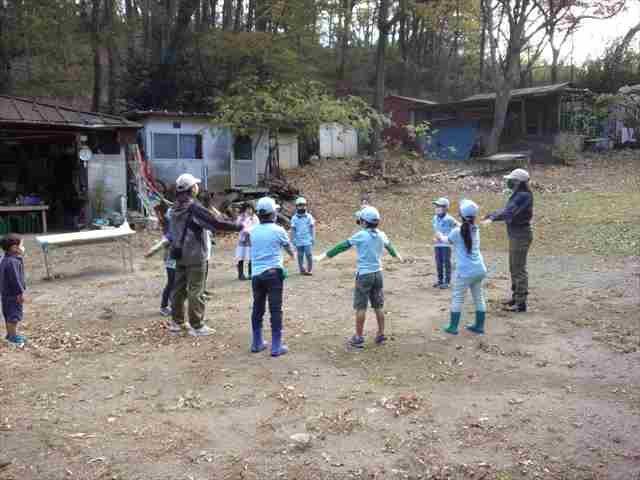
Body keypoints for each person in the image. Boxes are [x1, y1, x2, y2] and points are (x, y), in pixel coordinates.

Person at [315, 206, 403, 348]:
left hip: (364, 275)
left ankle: (359, 337)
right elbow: (390, 247)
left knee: (361, 307)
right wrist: (397, 256)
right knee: (378, 306)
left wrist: (324, 256)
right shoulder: (381, 234)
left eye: (360, 220)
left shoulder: (361, 235)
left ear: (364, 222)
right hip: (378, 274)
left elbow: (342, 246)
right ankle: (380, 334)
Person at [169, 173, 242, 336]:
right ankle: (197, 325)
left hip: (178, 252)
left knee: (179, 288)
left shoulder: (174, 206)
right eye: (195, 185)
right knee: (196, 289)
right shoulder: (193, 207)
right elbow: (215, 223)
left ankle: (177, 322)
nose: (197, 187)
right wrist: (238, 227)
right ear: (191, 189)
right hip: (195, 254)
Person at [249, 197, 296, 357]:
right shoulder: (278, 230)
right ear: (273, 214)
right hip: (274, 274)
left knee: (258, 307)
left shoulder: (253, 230)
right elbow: (289, 248)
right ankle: (276, 346)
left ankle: (257, 342)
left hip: (256, 274)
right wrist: (292, 255)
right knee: (275, 309)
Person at [483, 168, 533, 313]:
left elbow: (509, 212)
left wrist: (492, 218)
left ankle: (521, 303)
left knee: (518, 269)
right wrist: (491, 215)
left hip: (521, 235)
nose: (509, 182)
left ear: (518, 182)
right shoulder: (519, 194)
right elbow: (507, 210)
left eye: (511, 180)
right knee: (514, 267)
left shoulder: (523, 196)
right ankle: (516, 298)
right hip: (516, 235)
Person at [436, 199, 488, 335]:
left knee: (458, 298)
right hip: (479, 269)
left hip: (465, 271)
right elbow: (464, 230)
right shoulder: (475, 229)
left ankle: (453, 327)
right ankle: (479, 326)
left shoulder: (457, 232)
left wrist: (439, 235)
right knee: (479, 297)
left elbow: (446, 240)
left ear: (461, 214)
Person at [0, 234, 27, 347]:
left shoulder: (7, 259)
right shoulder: (12, 262)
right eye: (21, 245)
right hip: (12, 294)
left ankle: (10, 334)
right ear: (13, 248)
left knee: (9, 315)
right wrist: (19, 293)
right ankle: (12, 337)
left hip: (7, 294)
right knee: (13, 316)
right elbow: (15, 279)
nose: (22, 247)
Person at [432, 197, 459, 289]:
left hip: (446, 244)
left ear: (446, 208)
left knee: (446, 262)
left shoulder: (449, 219)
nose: (437, 208)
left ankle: (447, 282)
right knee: (438, 262)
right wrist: (435, 237)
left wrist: (451, 237)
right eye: (436, 206)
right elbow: (435, 229)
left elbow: (459, 226)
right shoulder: (435, 218)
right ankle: (440, 280)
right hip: (437, 244)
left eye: (440, 206)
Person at [290, 197, 316, 275]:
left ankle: (309, 269)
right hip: (298, 239)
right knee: (300, 255)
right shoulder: (294, 218)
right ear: (297, 206)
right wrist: (293, 239)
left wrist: (313, 237)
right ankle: (301, 269)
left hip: (307, 239)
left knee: (309, 254)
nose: (302, 207)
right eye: (300, 205)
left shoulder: (309, 217)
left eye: (304, 205)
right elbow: (293, 229)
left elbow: (312, 227)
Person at [235, 203, 258, 281]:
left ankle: (251, 273)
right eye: (247, 209)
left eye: (250, 209)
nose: (249, 210)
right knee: (241, 257)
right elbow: (238, 225)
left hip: (251, 239)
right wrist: (244, 229)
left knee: (251, 257)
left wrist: (249, 231)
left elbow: (256, 226)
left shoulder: (254, 217)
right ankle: (240, 274)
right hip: (242, 240)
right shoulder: (241, 217)